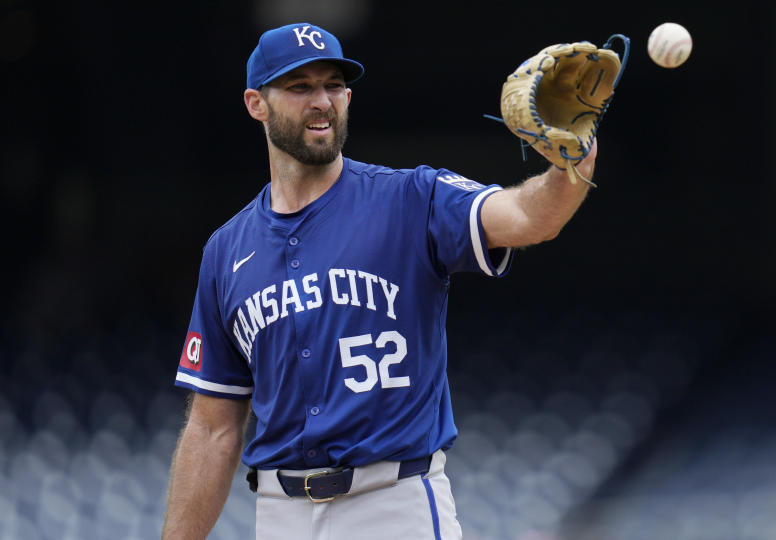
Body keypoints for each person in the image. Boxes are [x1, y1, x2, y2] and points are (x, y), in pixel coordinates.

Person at [162, 22, 599, 540]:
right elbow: (213, 429)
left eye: (333, 86)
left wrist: (574, 163)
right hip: (281, 513)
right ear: (257, 103)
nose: (322, 101)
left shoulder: (411, 198)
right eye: (300, 87)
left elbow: (528, 218)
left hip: (393, 504)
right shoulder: (226, 251)